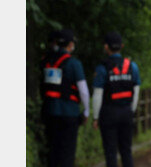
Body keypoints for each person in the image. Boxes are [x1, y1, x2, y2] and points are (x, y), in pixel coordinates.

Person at [40, 29, 90, 167]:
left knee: (53, 152)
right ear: (70, 45)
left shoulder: (46, 61)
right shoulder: (74, 64)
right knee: (67, 154)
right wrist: (86, 111)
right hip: (69, 114)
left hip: (49, 112)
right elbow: (83, 91)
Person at [92, 32, 141, 167]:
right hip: (126, 112)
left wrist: (95, 117)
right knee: (126, 150)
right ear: (122, 46)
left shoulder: (102, 68)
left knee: (110, 151)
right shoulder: (132, 66)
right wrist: (131, 110)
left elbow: (97, 94)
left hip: (108, 113)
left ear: (106, 47)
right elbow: (136, 91)